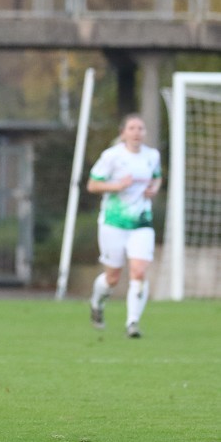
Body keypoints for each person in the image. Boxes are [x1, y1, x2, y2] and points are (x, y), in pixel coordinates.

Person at [86, 113, 162, 338]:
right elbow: (93, 185)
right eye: (132, 128)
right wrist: (117, 185)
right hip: (113, 222)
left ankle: (133, 322)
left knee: (139, 271)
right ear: (123, 133)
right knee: (113, 277)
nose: (137, 132)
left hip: (141, 222)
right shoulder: (112, 156)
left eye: (140, 128)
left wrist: (154, 188)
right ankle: (97, 303)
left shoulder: (152, 156)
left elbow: (156, 177)